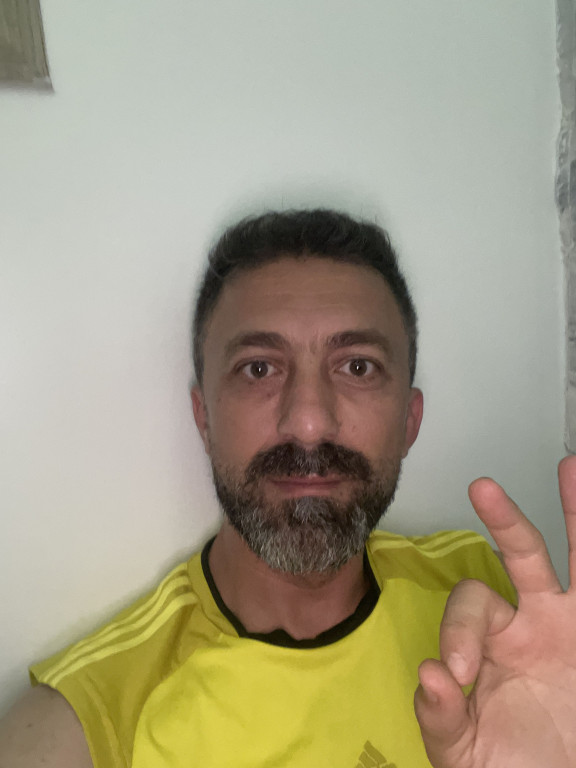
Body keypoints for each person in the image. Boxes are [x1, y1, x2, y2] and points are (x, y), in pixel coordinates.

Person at [0, 209, 575, 768]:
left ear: (409, 421)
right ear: (204, 419)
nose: (308, 422)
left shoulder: (491, 594)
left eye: (357, 367)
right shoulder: (93, 719)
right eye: (259, 368)